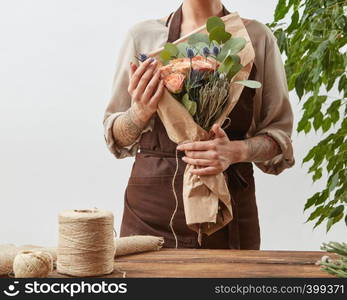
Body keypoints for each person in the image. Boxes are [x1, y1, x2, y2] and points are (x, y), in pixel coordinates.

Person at [103, 0, 295, 249]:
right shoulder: (143, 37)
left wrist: (236, 152)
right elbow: (116, 138)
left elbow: (279, 138)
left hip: (229, 213)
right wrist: (139, 113)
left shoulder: (256, 37)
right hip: (149, 218)